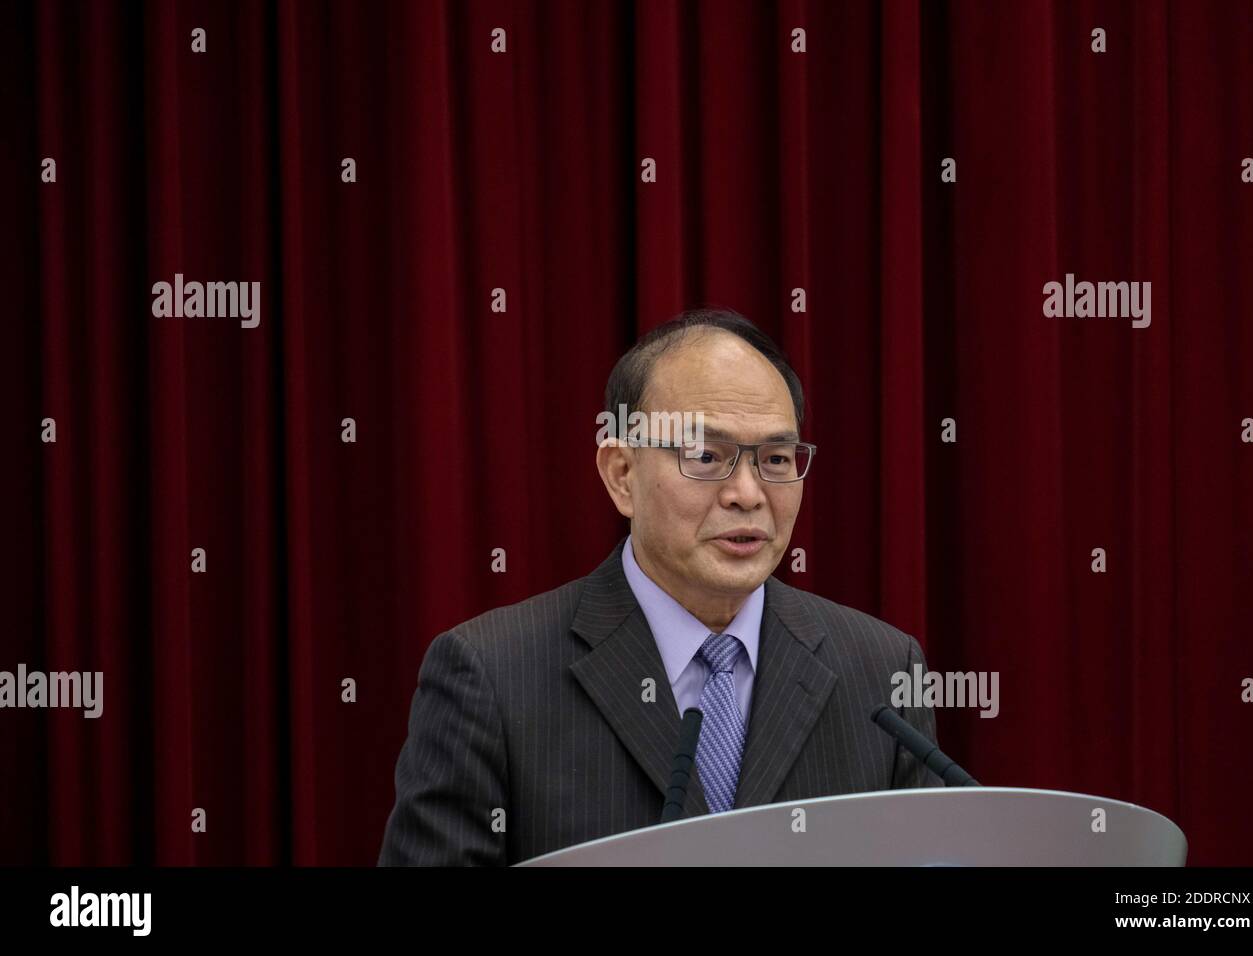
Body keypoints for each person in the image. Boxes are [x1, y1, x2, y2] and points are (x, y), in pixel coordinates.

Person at [378, 307, 941, 865]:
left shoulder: (882, 669)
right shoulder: (492, 675)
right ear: (622, 474)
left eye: (774, 458)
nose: (747, 494)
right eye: (705, 456)